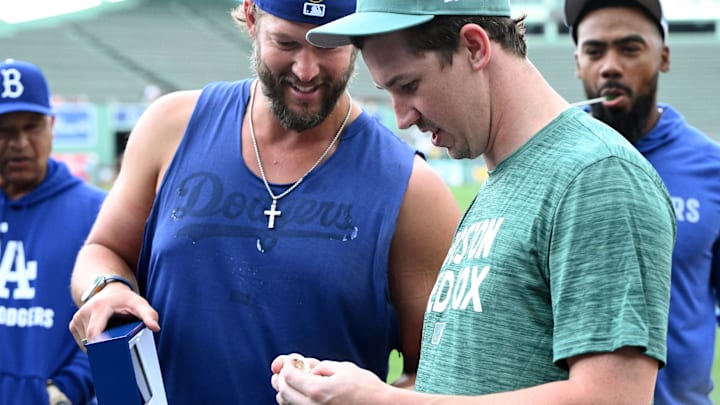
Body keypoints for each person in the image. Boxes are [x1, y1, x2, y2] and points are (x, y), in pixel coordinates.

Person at [270, 0, 678, 403]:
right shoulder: (509, 173)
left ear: (475, 48)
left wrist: (383, 402)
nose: (402, 118)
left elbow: (614, 397)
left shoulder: (597, 175)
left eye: (408, 85)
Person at [67, 0, 461, 403]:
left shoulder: (411, 189)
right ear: (252, 18)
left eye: (327, 46)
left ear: (356, 37)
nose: (306, 71)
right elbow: (103, 250)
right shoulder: (170, 126)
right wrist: (106, 287)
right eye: (286, 43)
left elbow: (446, 376)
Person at [563, 1, 720, 403]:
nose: (610, 66)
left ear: (663, 56)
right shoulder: (551, 160)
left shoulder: (711, 169)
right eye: (594, 51)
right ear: (577, 62)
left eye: (629, 49)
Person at [0, 59, 105, 404]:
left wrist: (68, 388)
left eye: (31, 126)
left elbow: (114, 315)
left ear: (52, 125)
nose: (18, 143)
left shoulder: (99, 212)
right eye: (4, 130)